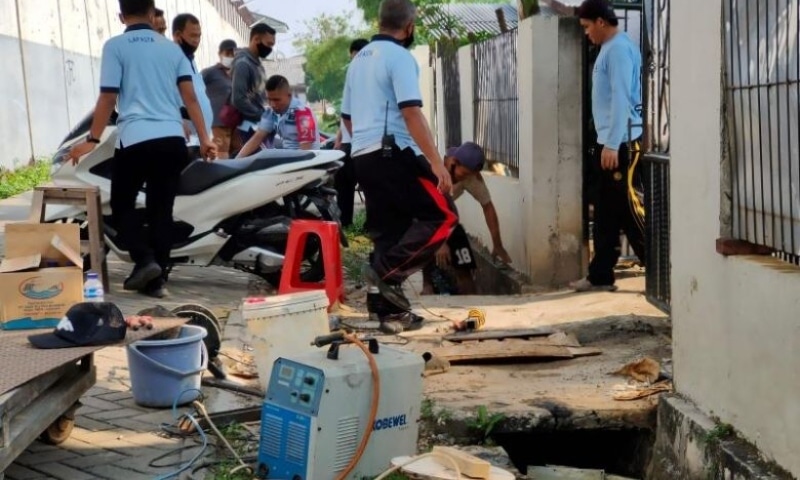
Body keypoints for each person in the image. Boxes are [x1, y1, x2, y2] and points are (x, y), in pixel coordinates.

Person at [67, 0, 216, 299]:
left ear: (121, 16)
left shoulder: (115, 46)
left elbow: (108, 98)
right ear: (152, 14)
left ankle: (145, 260)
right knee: (162, 210)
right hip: (173, 140)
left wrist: (92, 140)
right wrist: (205, 139)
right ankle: (155, 282)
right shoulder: (172, 49)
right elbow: (191, 98)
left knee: (121, 204)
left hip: (136, 139)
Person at [341, 0, 456, 334]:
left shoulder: (358, 61)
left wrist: (364, 141)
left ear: (380, 22)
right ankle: (388, 273)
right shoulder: (399, 57)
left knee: (390, 232)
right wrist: (436, 163)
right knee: (443, 215)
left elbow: (347, 117)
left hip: (363, 155)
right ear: (409, 27)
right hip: (392, 151)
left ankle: (389, 313)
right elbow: (411, 112)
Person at [571, 0, 645, 292]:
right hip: (610, 143)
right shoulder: (609, 49)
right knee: (604, 212)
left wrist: (613, 144)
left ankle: (665, 273)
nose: (587, 34)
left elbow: (620, 99)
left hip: (621, 143)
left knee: (631, 212)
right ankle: (600, 275)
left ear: (601, 21)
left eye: (588, 27)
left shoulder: (618, 50)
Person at [421, 142, 512, 295]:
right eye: (462, 175)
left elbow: (488, 206)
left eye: (468, 176)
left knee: (463, 258)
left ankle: (471, 299)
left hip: (447, 218)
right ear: (452, 163)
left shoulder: (470, 176)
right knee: (426, 247)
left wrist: (497, 244)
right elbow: (424, 211)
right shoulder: (433, 170)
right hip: (424, 218)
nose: (462, 179)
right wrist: (440, 243)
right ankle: (427, 286)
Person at [333, 38, 370, 228]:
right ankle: (344, 222)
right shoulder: (352, 78)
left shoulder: (372, 80)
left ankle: (372, 224)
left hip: (365, 143)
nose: (354, 63)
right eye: (352, 59)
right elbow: (344, 114)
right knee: (343, 185)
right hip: (349, 144)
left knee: (371, 186)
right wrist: (339, 140)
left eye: (357, 58)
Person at [236, 75, 320, 157]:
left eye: (277, 100)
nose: (272, 104)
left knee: (266, 155)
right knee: (260, 154)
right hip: (288, 155)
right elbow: (257, 138)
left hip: (306, 158)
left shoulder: (302, 112)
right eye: (269, 99)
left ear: (289, 95)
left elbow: (306, 149)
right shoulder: (271, 112)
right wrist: (236, 161)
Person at [173, 13, 214, 152]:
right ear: (178, 35)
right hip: (185, 140)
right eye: (192, 35)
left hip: (200, 140)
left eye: (199, 36)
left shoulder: (190, 60)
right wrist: (177, 118)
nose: (197, 40)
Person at [231, 23, 276, 146]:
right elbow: (238, 99)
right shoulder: (243, 64)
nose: (270, 49)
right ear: (256, 39)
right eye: (268, 44)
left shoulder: (257, 64)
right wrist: (261, 116)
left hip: (260, 126)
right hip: (250, 127)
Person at [202, 39, 239, 159]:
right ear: (220, 54)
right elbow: (194, 86)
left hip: (236, 122)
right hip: (218, 121)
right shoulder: (210, 72)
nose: (231, 57)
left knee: (240, 152)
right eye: (227, 54)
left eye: (233, 54)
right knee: (221, 154)